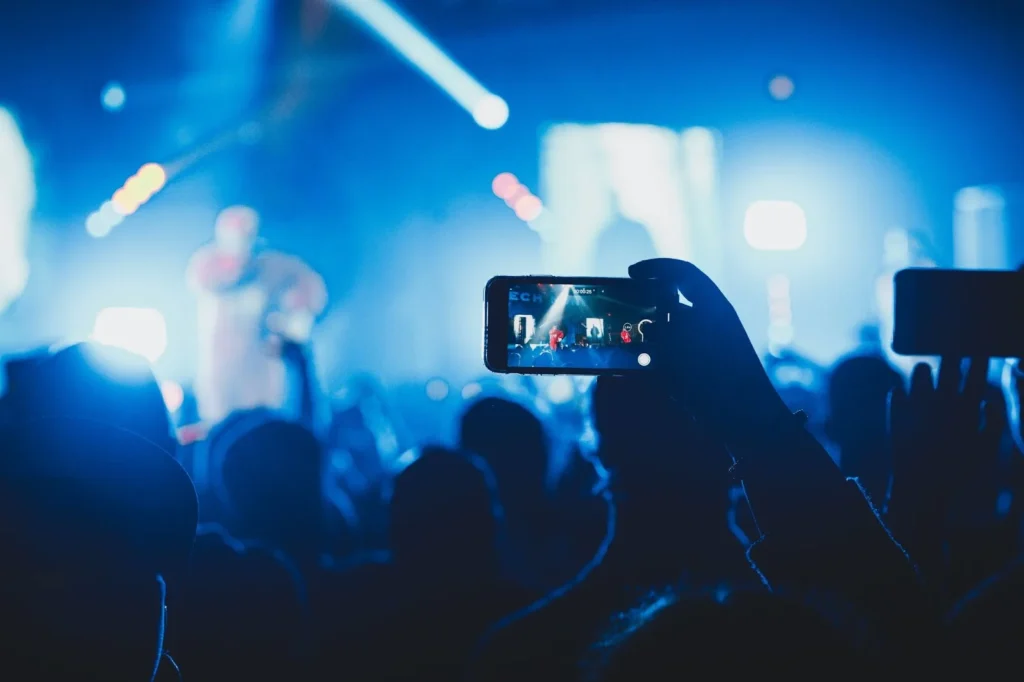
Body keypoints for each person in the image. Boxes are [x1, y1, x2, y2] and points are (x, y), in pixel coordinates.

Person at [187, 206, 327, 425]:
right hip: (219, 377)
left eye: (244, 237)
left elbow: (311, 290)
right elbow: (210, 280)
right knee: (220, 431)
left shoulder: (273, 268)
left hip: (261, 378)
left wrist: (295, 321)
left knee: (261, 432)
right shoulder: (207, 265)